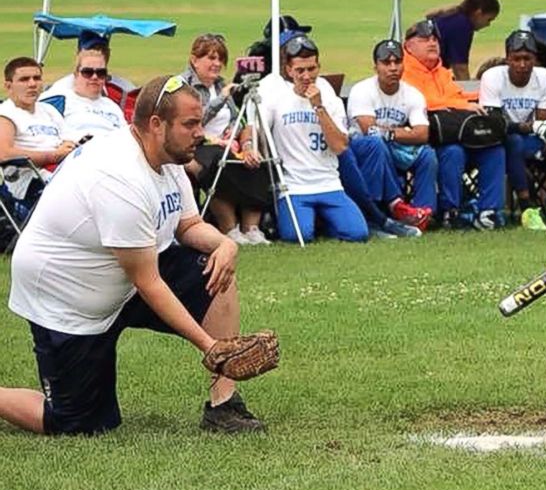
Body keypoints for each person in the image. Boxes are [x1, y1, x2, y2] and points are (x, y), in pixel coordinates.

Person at [0, 75, 267, 435]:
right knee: (76, 423)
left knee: (214, 271)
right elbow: (149, 283)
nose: (200, 132)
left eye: (200, 121)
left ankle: (223, 407)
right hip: (68, 298)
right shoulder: (118, 176)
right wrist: (213, 347)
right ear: (156, 125)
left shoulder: (170, 158)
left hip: (122, 275)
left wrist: (225, 243)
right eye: (190, 124)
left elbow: (187, 225)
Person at [258, 33, 368, 243]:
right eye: (300, 70)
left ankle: (326, 220)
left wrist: (318, 107)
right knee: (298, 236)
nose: (306, 76)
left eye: (311, 69)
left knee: (358, 233)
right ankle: (309, 220)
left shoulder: (328, 96)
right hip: (294, 185)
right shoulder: (276, 96)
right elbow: (259, 132)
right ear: (289, 70)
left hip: (328, 182)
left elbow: (339, 146)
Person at [402, 19, 506, 230]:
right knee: (453, 152)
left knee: (494, 150)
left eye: (434, 39)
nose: (432, 43)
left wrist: (482, 97)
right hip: (427, 139)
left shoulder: (442, 72)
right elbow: (424, 101)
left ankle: (489, 212)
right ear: (409, 46)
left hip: (456, 131)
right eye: (424, 39)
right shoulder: (403, 71)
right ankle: (451, 211)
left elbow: (456, 96)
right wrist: (462, 105)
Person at [480, 30, 546, 231]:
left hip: (530, 135)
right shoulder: (492, 77)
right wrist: (530, 126)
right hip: (501, 138)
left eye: (527, 58)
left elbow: (542, 119)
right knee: (515, 142)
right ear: (507, 58)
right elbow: (494, 123)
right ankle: (528, 209)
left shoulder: (543, 77)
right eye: (516, 58)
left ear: (534, 59)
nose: (522, 64)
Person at [179, 33, 272, 246]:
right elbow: (190, 120)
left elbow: (236, 118)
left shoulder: (221, 84)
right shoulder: (184, 86)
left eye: (220, 59)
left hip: (227, 143)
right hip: (198, 145)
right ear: (195, 60)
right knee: (218, 162)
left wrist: (237, 135)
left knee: (255, 160)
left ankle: (252, 227)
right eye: (211, 58)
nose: (217, 64)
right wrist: (220, 101)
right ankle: (229, 227)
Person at [347, 39, 439, 220]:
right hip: (362, 149)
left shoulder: (413, 94)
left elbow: (422, 134)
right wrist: (402, 132)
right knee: (377, 144)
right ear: (376, 67)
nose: (393, 68)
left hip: (394, 145)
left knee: (427, 154)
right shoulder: (362, 90)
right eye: (386, 63)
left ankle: (424, 213)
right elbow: (369, 130)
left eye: (397, 62)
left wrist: (389, 133)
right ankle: (396, 205)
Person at [0, 57, 74, 215]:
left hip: (62, 172)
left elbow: (68, 139)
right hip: (29, 182)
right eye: (24, 79)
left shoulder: (49, 110)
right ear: (8, 86)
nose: (32, 84)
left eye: (37, 78)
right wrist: (54, 156)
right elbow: (4, 154)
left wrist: (67, 148)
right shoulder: (5, 114)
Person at [39, 49, 127, 142]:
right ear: (76, 74)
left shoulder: (113, 107)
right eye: (87, 72)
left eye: (101, 73)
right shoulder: (59, 99)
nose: (94, 77)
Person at [48, 31, 138, 115]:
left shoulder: (120, 89)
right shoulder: (62, 90)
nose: (94, 77)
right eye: (87, 72)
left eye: (102, 50)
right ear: (79, 53)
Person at [427, 0, 500, 81]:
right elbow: (460, 69)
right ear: (478, 13)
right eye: (488, 19)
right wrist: (469, 92)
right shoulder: (462, 26)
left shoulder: (453, 17)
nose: (488, 24)